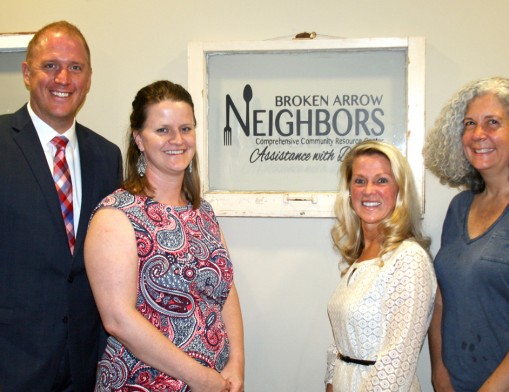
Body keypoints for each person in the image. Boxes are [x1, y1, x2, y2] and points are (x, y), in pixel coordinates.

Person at [84, 80, 245, 391]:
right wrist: (200, 378)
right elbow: (119, 319)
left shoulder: (203, 212)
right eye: (163, 130)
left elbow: (226, 292)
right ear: (139, 140)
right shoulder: (116, 216)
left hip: (216, 381)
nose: (177, 139)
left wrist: (236, 362)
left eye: (186, 128)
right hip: (144, 382)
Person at [0, 21, 122, 391]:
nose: (63, 79)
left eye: (75, 67)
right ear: (26, 72)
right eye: (50, 65)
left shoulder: (107, 157)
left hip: (85, 363)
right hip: (12, 362)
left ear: (88, 77)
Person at [324, 140, 437, 391]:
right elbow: (341, 343)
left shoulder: (409, 259)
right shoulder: (360, 258)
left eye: (382, 180)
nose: (369, 190)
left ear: (400, 190)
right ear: (349, 190)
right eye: (360, 180)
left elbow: (397, 364)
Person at [423, 76, 509, 391]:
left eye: (493, 122)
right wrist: (440, 375)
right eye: (470, 123)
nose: (478, 134)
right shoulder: (459, 207)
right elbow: (442, 300)